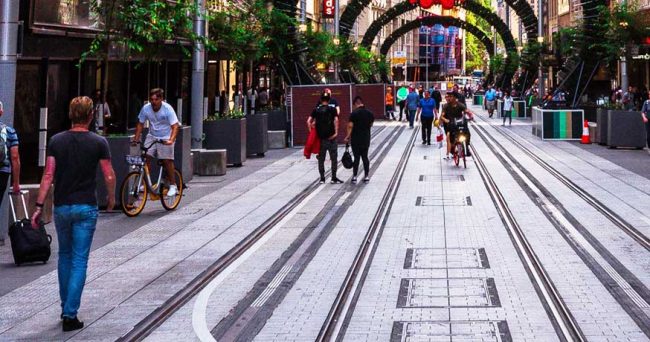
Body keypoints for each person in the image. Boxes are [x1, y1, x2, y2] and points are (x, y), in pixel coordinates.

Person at [31, 96, 116, 332]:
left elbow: (48, 176)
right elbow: (108, 174)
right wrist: (111, 198)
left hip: (62, 207)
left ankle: (65, 306)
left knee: (65, 257)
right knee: (79, 260)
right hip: (86, 207)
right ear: (91, 116)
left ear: (71, 114)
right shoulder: (99, 143)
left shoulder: (56, 141)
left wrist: (38, 207)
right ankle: (70, 313)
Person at [132, 88, 180, 197]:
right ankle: (145, 182)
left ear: (161, 99)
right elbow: (140, 123)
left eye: (156, 99)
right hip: (152, 135)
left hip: (166, 136)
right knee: (146, 157)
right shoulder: (146, 108)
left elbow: (175, 126)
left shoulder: (167, 109)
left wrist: (171, 140)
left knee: (167, 160)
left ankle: (173, 185)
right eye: (151, 99)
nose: (153, 102)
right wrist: (136, 138)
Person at [308, 91, 342, 184]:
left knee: (321, 159)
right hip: (332, 138)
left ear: (321, 99)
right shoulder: (332, 109)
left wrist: (312, 133)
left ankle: (322, 178)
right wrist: (336, 133)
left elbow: (308, 121)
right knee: (334, 159)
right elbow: (336, 120)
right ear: (328, 100)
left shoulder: (316, 110)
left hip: (321, 139)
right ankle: (333, 178)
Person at [0, 101, 21, 247]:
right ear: (1, 112)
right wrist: (16, 182)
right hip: (3, 172)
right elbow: (15, 157)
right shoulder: (9, 131)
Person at [344, 96, 374, 184]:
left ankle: (354, 177)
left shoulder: (354, 114)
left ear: (356, 103)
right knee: (365, 157)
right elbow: (371, 124)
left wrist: (347, 136)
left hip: (355, 139)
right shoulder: (370, 113)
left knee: (356, 158)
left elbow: (350, 126)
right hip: (365, 139)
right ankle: (366, 176)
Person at [441, 92, 473, 159]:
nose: (449, 98)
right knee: (451, 138)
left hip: (460, 123)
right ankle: (452, 149)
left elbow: (466, 111)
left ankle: (466, 147)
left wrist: (470, 116)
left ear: (455, 98)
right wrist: (445, 120)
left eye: (451, 96)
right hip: (451, 124)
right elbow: (442, 116)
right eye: (449, 96)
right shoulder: (446, 106)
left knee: (468, 133)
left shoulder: (460, 105)